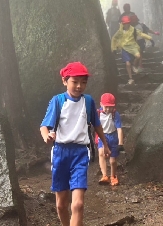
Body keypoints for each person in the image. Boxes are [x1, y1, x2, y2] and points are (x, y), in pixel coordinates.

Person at [40, 62, 111, 226]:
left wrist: (105, 144)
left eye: (83, 82)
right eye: (75, 82)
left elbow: (97, 124)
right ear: (65, 81)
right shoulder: (58, 101)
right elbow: (44, 126)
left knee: (78, 204)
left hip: (80, 153)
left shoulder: (88, 101)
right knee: (61, 205)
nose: (79, 86)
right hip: (60, 153)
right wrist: (47, 137)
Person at [111, 16, 153, 85]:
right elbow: (114, 38)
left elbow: (140, 34)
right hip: (124, 48)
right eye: (125, 23)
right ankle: (130, 79)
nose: (126, 25)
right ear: (122, 24)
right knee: (127, 63)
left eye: (127, 23)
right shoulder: (120, 31)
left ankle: (133, 65)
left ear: (129, 23)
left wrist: (150, 38)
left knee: (138, 56)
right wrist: (114, 48)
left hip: (133, 47)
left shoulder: (133, 30)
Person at [97, 93, 124, 186]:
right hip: (102, 136)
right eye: (106, 107)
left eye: (110, 107)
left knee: (112, 161)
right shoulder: (98, 113)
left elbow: (119, 129)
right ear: (101, 104)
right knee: (101, 154)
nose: (108, 109)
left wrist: (120, 143)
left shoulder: (115, 114)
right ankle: (104, 175)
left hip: (113, 137)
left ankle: (113, 176)